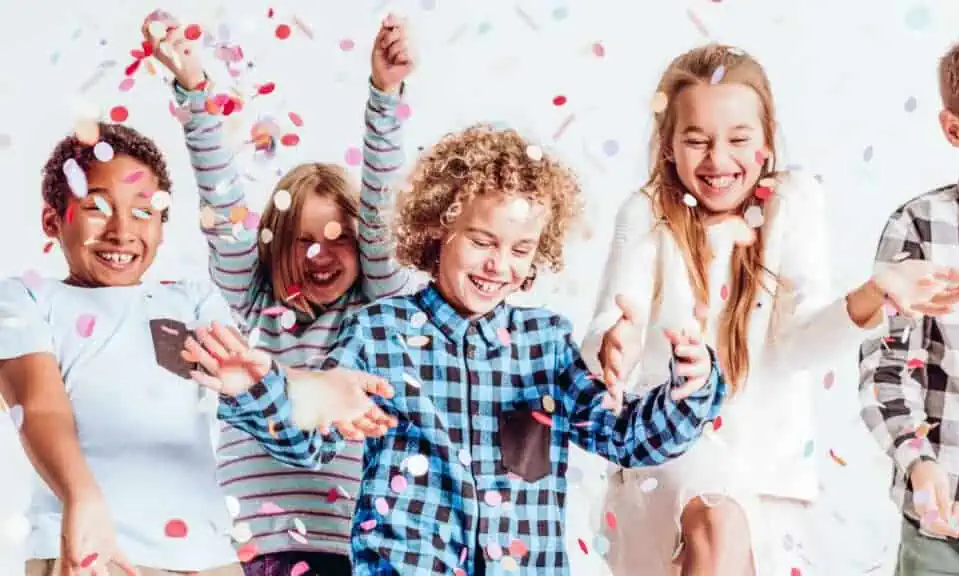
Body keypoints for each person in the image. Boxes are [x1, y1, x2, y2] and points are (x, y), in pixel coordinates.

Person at [183, 124, 729, 575]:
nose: (499, 265)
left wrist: (690, 386)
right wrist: (255, 389)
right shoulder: (379, 332)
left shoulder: (545, 344)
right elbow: (317, 440)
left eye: (520, 249)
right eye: (482, 242)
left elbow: (627, 437)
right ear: (438, 229)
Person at [581, 44, 959, 575]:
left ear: (766, 143)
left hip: (770, 477)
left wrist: (874, 292)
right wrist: (613, 342)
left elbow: (797, 344)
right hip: (669, 463)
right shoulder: (648, 213)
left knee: (729, 524)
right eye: (696, 141)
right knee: (716, 517)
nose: (718, 161)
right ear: (669, 147)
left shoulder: (792, 204)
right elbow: (606, 330)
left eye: (738, 139)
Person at [0, 120, 389, 576]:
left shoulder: (190, 300)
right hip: (91, 543)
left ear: (163, 228)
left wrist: (317, 385)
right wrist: (80, 497)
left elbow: (242, 372)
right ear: (52, 219)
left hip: (206, 558)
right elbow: (40, 408)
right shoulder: (25, 298)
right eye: (97, 207)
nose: (122, 230)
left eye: (144, 212)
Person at [145, 10, 418, 575]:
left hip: (354, 551)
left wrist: (386, 95)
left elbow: (382, 211)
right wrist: (196, 94)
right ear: (273, 250)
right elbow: (224, 210)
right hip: (254, 553)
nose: (319, 255)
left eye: (338, 239)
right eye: (302, 241)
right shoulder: (251, 304)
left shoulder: (375, 311)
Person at [860, 27, 959, 576]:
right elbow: (886, 368)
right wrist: (917, 462)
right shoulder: (918, 228)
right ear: (953, 129)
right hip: (952, 521)